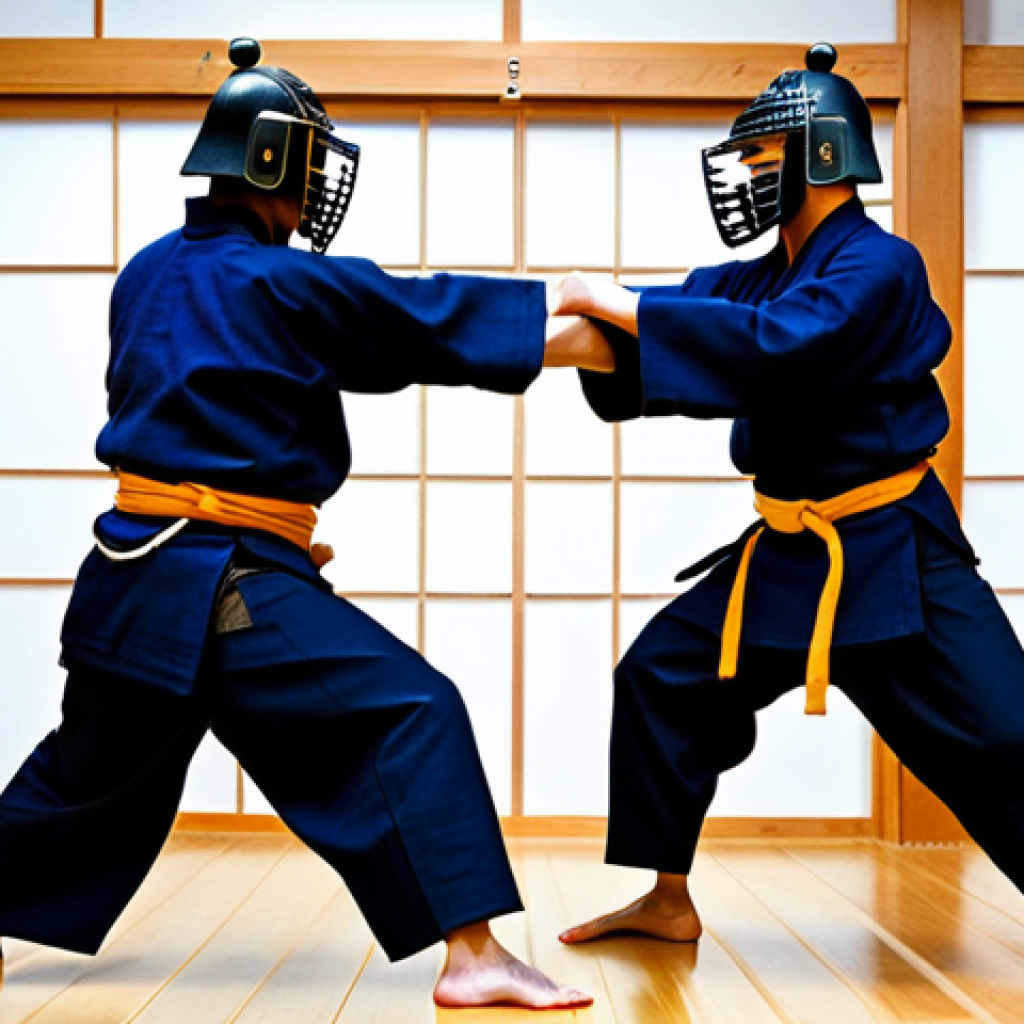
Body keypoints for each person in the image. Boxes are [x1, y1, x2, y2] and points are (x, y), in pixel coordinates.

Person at [0, 39, 611, 1009]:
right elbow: (415, 318)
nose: (319, 187)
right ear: (277, 162)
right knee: (414, 707)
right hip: (220, 583)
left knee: (80, 776)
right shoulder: (281, 282)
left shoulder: (145, 275)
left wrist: (277, 525)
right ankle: (474, 956)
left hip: (124, 582)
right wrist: (572, 311)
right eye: (313, 164)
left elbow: (211, 418)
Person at [550, 43, 1024, 946]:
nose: (745, 174)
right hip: (788, 553)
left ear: (819, 152)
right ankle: (667, 896)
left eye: (762, 155)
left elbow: (779, 344)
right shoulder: (765, 275)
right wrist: (538, 332)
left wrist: (617, 304)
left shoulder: (880, 265)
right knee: (662, 677)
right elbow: (683, 323)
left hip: (892, 550)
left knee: (1009, 737)